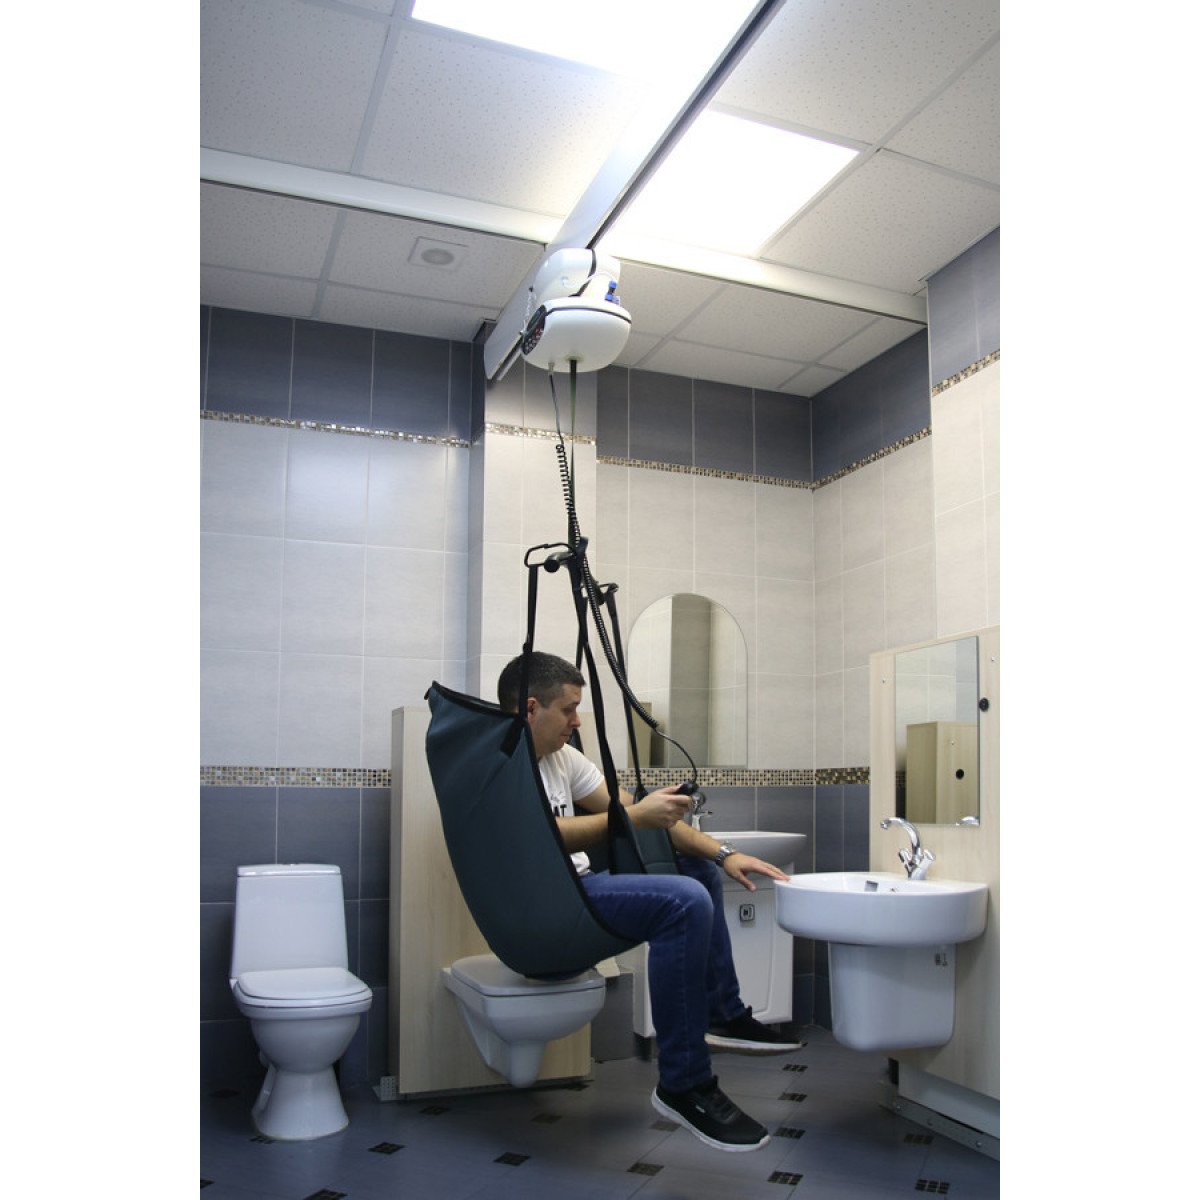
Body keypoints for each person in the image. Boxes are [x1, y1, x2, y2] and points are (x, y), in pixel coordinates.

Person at [497, 651, 804, 1152]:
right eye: (569, 709)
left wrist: (725, 853)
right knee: (683, 902)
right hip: (547, 907)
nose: (577, 722)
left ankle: (722, 1012)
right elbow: (539, 832)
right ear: (532, 708)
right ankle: (684, 1083)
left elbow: (632, 810)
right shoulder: (500, 762)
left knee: (697, 872)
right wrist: (635, 817)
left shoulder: (562, 758)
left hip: (581, 889)